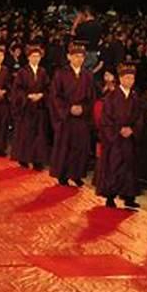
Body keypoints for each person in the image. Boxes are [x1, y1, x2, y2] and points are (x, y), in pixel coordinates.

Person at [95, 63, 143, 209]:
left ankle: (128, 196)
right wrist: (118, 130)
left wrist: (133, 130)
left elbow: (139, 118)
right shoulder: (111, 97)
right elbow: (106, 119)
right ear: (120, 79)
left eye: (132, 78)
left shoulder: (135, 98)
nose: (129, 81)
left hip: (129, 139)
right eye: (127, 77)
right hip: (115, 139)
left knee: (129, 167)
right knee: (114, 166)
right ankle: (110, 196)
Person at [49, 40, 96, 187]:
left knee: (80, 147)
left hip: (81, 117)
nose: (79, 59)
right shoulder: (61, 74)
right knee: (65, 146)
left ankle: (76, 174)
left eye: (81, 57)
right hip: (67, 117)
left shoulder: (87, 75)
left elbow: (91, 97)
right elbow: (55, 96)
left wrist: (84, 108)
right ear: (69, 57)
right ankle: (62, 174)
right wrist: (68, 109)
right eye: (75, 56)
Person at [10, 44, 50, 170]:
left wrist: (42, 95)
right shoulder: (22, 72)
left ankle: (38, 160)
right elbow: (17, 89)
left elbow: (48, 87)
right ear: (28, 58)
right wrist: (27, 96)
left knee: (39, 135)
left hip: (39, 108)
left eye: (38, 56)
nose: (36, 58)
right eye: (33, 56)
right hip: (26, 108)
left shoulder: (42, 72)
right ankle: (24, 158)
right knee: (26, 134)